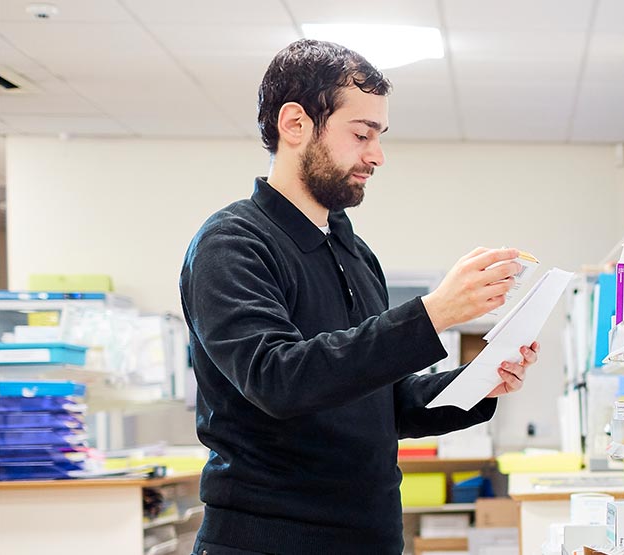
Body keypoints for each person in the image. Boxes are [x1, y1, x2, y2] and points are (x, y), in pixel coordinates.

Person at [179, 39, 535, 554]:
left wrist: (479, 383)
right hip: (267, 540)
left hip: (372, 535)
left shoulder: (355, 252)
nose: (377, 155)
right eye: (361, 133)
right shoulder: (232, 243)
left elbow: (380, 402)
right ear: (295, 124)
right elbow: (279, 381)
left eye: (379, 135)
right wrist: (432, 315)